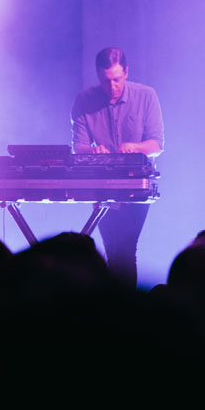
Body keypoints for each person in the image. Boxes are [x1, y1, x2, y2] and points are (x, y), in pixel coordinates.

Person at [71, 47, 163, 286]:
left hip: (136, 185)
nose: (112, 87)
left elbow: (156, 144)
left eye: (117, 80)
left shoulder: (146, 96)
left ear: (126, 72)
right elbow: (78, 148)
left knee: (125, 248)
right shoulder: (84, 100)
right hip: (101, 185)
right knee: (112, 249)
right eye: (105, 81)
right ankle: (119, 308)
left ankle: (122, 309)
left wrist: (134, 147)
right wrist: (94, 152)